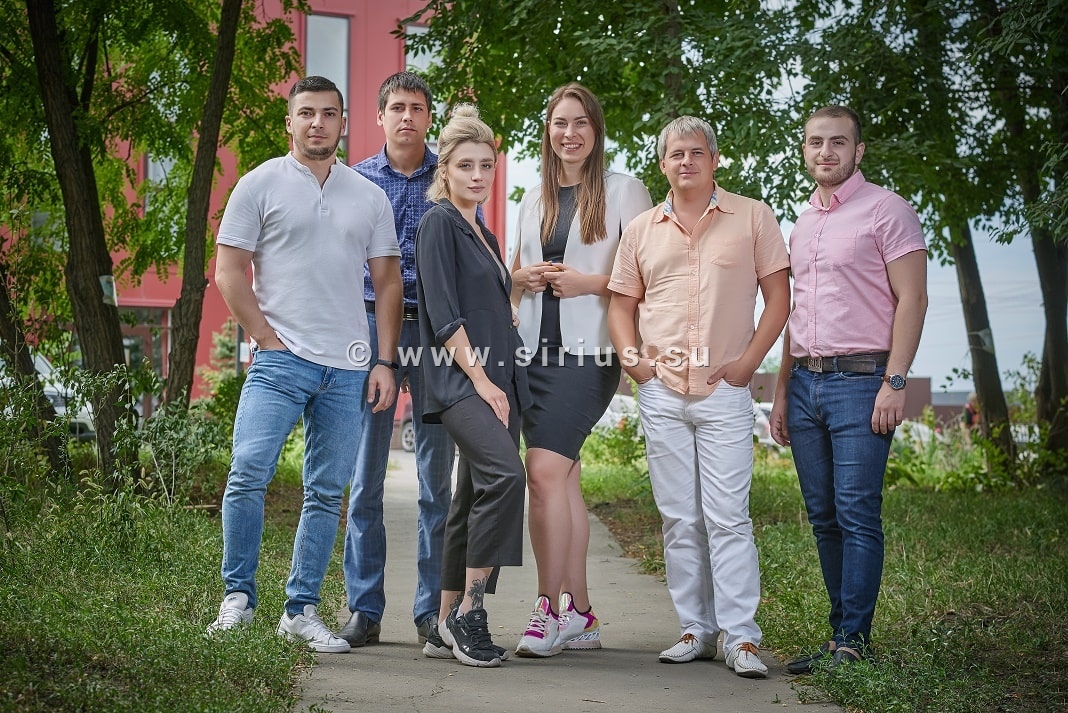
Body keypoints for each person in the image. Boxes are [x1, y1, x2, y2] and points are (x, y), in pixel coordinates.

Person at [206, 76, 403, 653]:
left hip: (348, 366)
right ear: (289, 122)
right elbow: (229, 272)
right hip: (279, 362)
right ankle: (237, 599)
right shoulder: (258, 184)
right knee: (248, 473)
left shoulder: (368, 195)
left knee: (326, 492)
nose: (318, 122)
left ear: (344, 122)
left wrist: (384, 360)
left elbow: (388, 282)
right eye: (307, 113)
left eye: (329, 113)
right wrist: (266, 338)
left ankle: (300, 610)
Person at [607, 116, 790, 679]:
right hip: (661, 392)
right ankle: (696, 630)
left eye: (695, 152)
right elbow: (621, 305)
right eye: (675, 154)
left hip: (724, 392)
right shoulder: (642, 229)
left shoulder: (753, 217)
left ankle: (741, 638)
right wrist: (634, 363)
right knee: (679, 519)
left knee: (728, 517)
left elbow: (779, 299)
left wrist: (747, 365)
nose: (685, 161)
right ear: (662, 164)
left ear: (714, 159)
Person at [770, 105, 927, 672]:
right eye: (816, 142)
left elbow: (913, 299)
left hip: (863, 384)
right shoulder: (802, 222)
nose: (826, 151)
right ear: (804, 150)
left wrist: (895, 381)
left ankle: (853, 640)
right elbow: (795, 315)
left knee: (857, 512)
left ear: (858, 151)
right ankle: (839, 634)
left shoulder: (888, 210)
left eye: (838, 142)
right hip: (805, 383)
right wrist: (782, 392)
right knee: (823, 516)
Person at [509, 83, 652, 657]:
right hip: (532, 354)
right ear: (548, 131)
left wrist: (588, 283)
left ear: (596, 130)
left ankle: (547, 610)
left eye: (580, 123)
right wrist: (520, 280)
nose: (569, 134)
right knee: (562, 480)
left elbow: (647, 272)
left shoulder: (624, 190)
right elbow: (514, 273)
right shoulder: (532, 197)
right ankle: (583, 616)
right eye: (559, 123)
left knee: (542, 473)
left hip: (589, 356)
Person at [340, 71, 457, 648]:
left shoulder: (450, 179)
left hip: (436, 331)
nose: (407, 116)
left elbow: (468, 253)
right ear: (380, 117)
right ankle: (364, 610)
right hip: (369, 328)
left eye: (417, 107)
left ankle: (431, 613)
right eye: (397, 108)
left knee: (437, 481)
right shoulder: (355, 181)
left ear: (429, 118)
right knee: (365, 478)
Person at [414, 104, 530, 668]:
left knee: (469, 496)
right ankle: (471, 611)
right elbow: (443, 315)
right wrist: (482, 380)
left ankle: (443, 621)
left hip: (498, 377)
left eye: (486, 165)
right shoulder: (438, 222)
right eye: (466, 165)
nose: (478, 175)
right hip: (461, 381)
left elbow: (487, 302)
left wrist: (514, 297)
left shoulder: (482, 231)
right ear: (445, 168)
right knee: (506, 477)